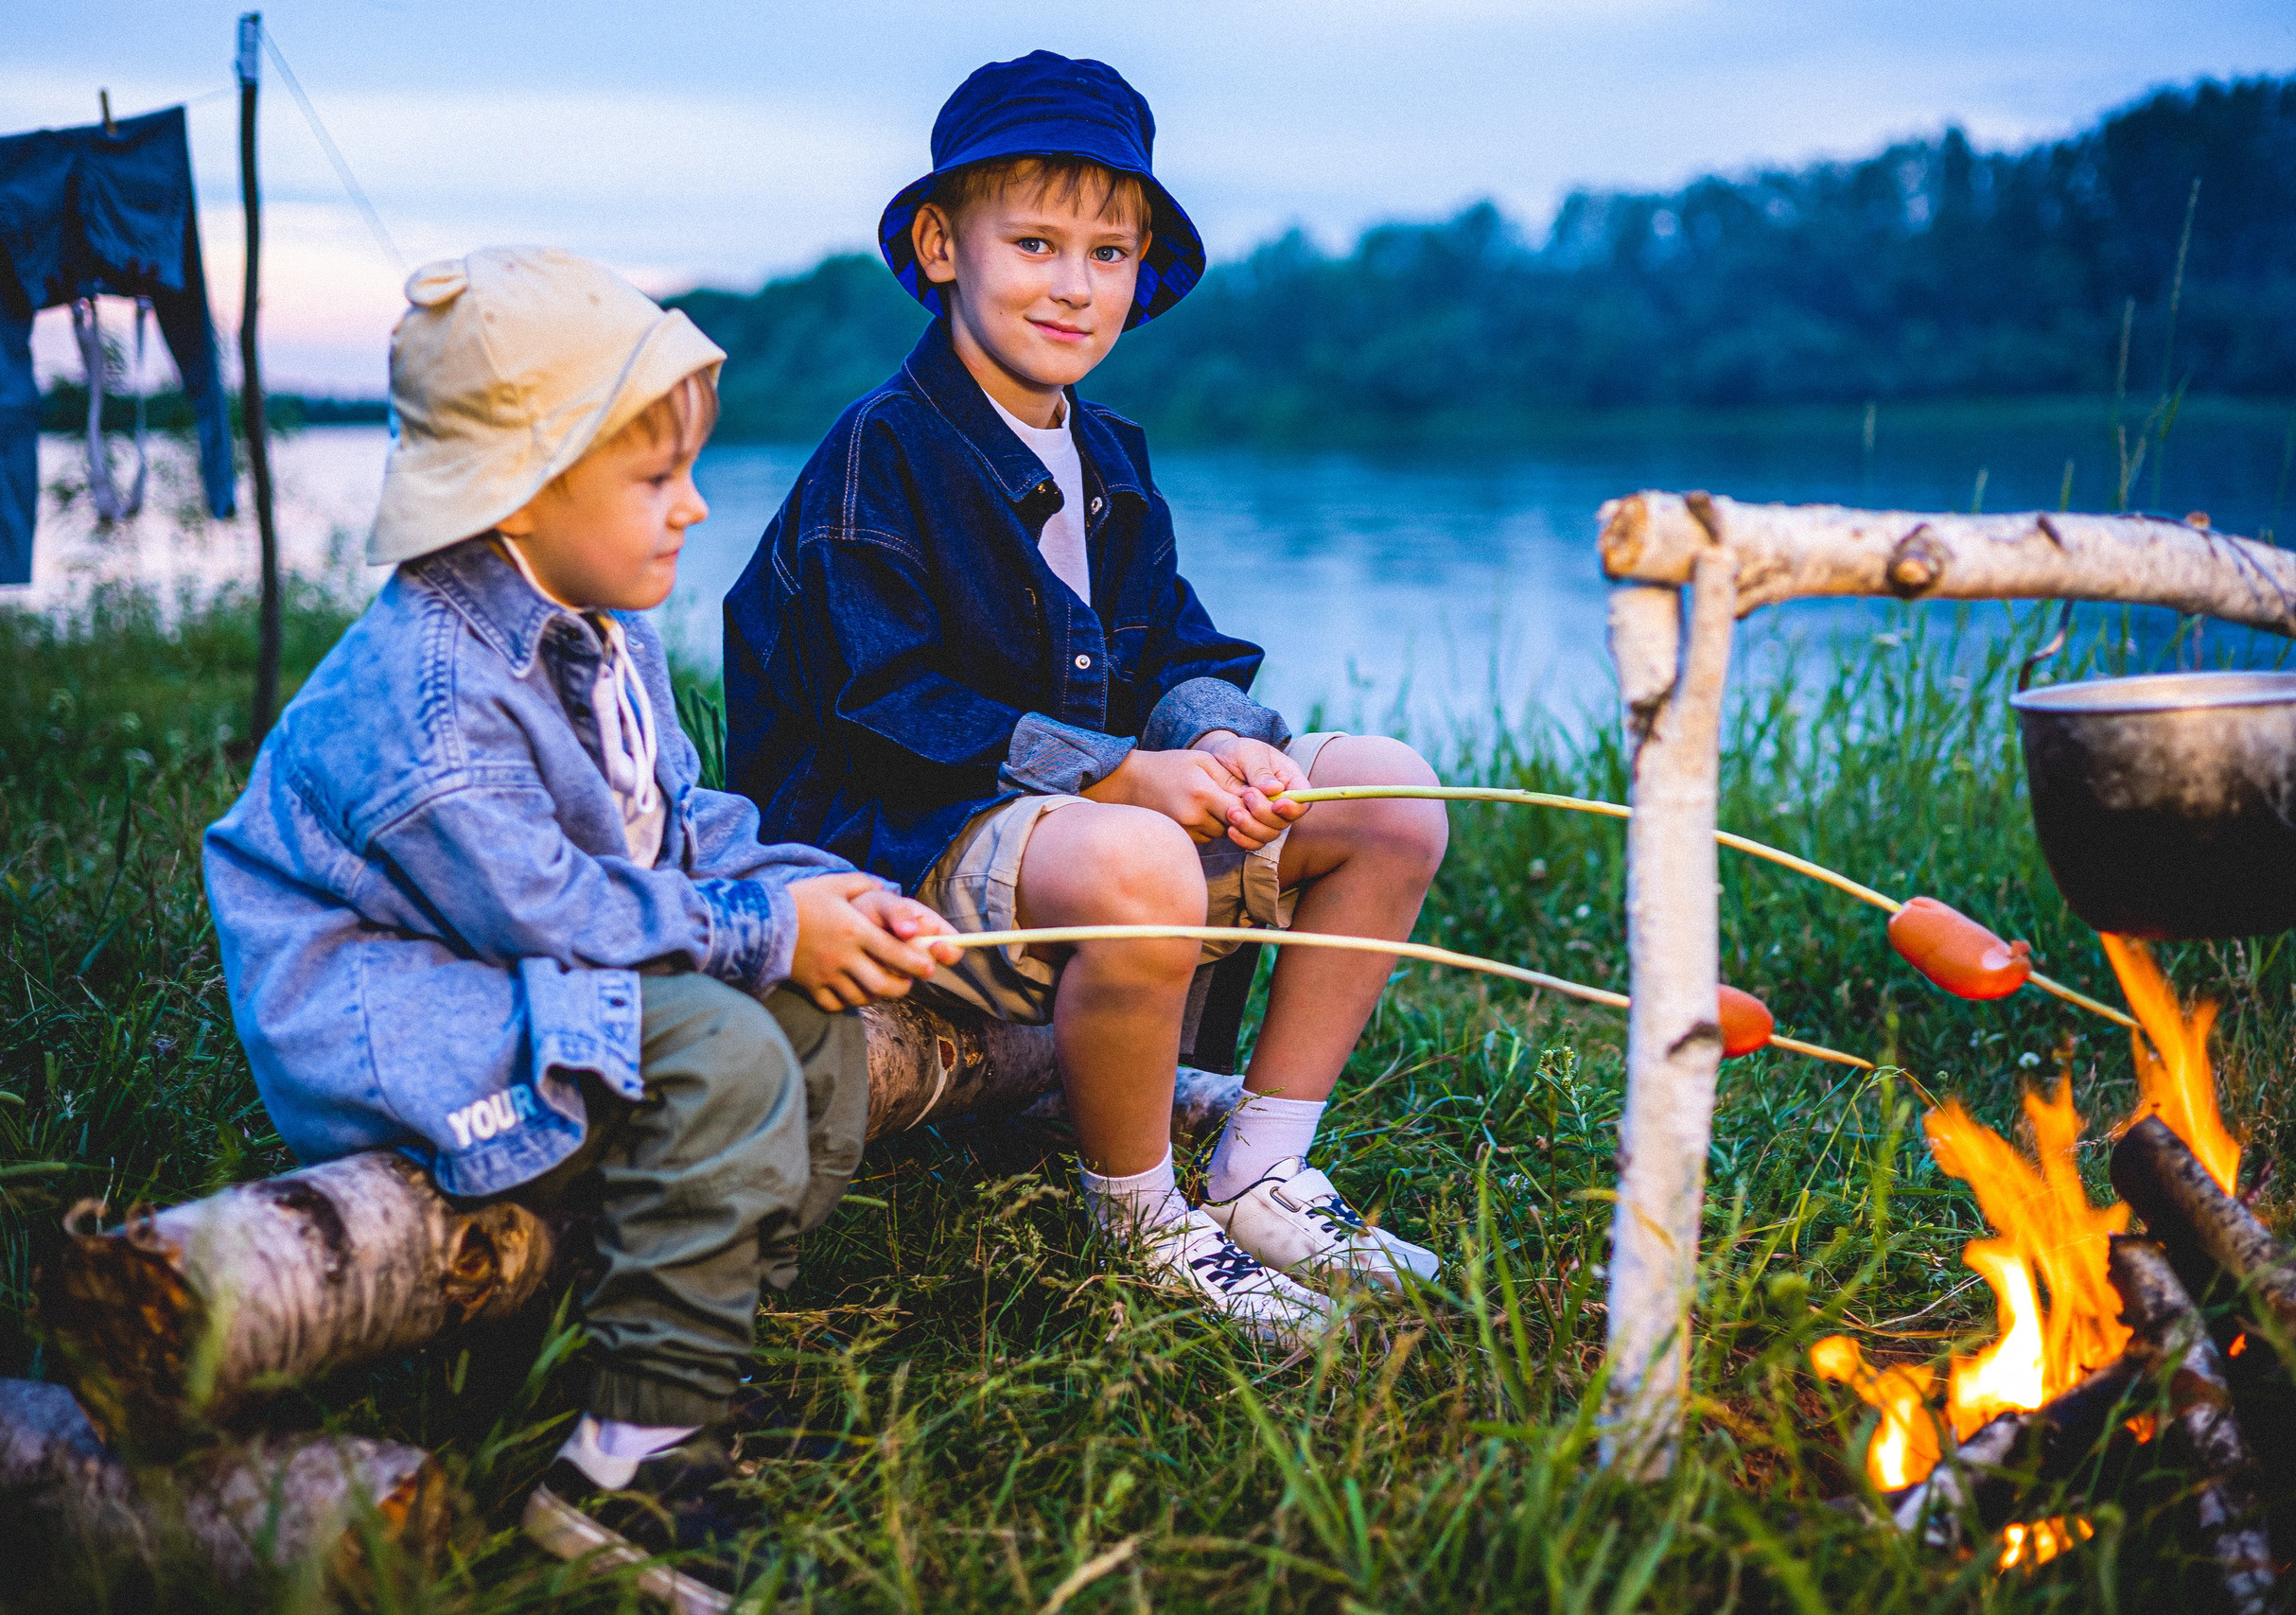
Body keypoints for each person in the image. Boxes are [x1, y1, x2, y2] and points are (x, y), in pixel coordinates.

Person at [203, 247, 960, 1609]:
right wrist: (762, 933)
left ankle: (671, 1360)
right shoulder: (431, 697)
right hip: (411, 1013)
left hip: (539, 967)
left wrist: (824, 894)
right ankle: (613, 1482)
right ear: (523, 491)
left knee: (810, 1021)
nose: (694, 507)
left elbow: (681, 827)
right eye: (655, 480)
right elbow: (541, 906)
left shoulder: (604, 624)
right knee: (728, 1051)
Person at [723, 52, 1451, 1350]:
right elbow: (879, 697)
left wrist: (1219, 736)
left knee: (1391, 795)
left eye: (1110, 253)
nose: (1074, 284)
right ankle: (1140, 1216)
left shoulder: (1110, 453)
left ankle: (1265, 1166)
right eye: (1038, 243)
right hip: (888, 852)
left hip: (1057, 845)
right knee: (1136, 854)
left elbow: (1171, 645)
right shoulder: (878, 453)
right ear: (943, 246)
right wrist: (1118, 776)